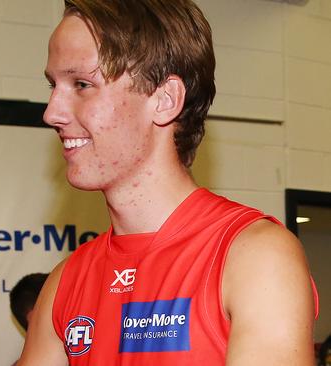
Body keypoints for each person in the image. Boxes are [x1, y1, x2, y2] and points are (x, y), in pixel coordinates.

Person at [19, 1, 318, 365]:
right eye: (53, 85)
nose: (52, 112)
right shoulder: (65, 282)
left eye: (82, 84)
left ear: (164, 100)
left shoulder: (253, 257)